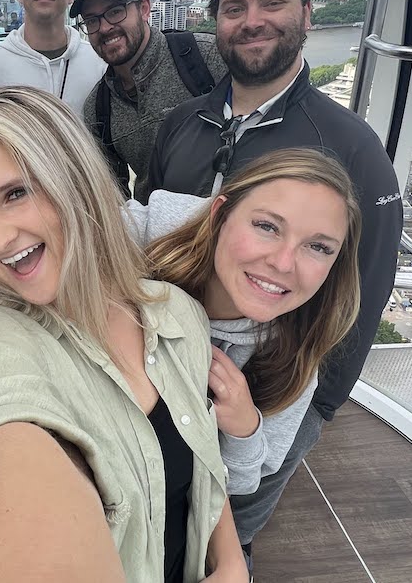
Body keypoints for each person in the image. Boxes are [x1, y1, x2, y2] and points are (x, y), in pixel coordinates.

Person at [0, 87, 246, 583]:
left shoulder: (178, 313)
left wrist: (231, 561)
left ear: (75, 180)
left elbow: (204, 462)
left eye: (15, 193)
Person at [146, 0, 402, 557]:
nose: (252, 20)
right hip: (166, 366)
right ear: (216, 22)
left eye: (273, 2)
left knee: (230, 525)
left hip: (276, 384)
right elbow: (156, 231)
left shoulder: (352, 149)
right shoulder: (181, 125)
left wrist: (314, 405)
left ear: (307, 14)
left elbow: (361, 292)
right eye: (234, 8)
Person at [128, 148, 361, 569]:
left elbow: (244, 480)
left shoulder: (296, 351)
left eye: (319, 247)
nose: (283, 262)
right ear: (219, 215)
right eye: (267, 226)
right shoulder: (148, 234)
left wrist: (244, 428)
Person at [75, 0, 226, 201]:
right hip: (159, 233)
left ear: (144, 9)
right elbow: (114, 195)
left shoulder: (204, 57)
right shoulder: (98, 108)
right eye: (92, 20)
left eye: (115, 11)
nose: (104, 27)